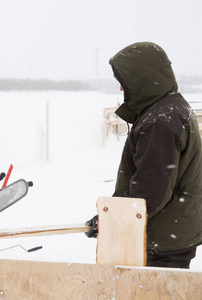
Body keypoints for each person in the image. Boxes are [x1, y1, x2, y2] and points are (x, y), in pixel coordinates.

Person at [86, 42, 202, 269]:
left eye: (124, 83)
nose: (121, 90)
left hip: (161, 241)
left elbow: (149, 192)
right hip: (171, 233)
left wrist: (112, 218)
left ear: (143, 80)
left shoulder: (160, 121)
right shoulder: (170, 108)